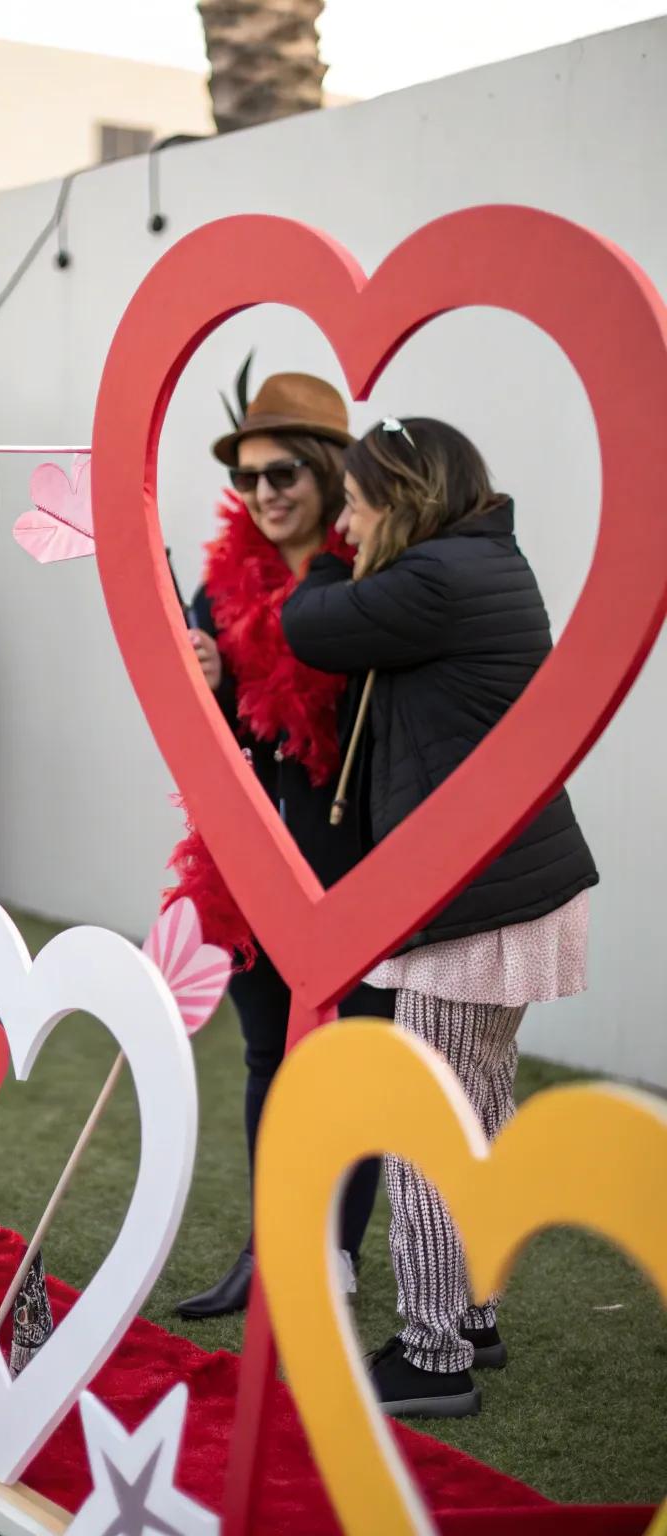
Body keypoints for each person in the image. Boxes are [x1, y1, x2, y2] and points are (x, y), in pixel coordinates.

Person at [282, 416, 598, 1416]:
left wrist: (324, 562)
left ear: (402, 499)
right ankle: (471, 1311)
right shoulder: (477, 563)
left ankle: (432, 1355)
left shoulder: (436, 580)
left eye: (357, 501)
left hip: (477, 898)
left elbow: (309, 627)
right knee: (478, 1107)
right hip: (513, 889)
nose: (346, 519)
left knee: (426, 1118)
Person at [172, 370, 396, 1321]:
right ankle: (270, 1248)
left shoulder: (380, 580)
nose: (265, 491)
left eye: (285, 472)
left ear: (329, 471)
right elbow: (198, 745)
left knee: (348, 1069)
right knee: (270, 1059)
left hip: (358, 869)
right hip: (246, 869)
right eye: (250, 475)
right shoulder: (214, 593)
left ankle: (331, 1261)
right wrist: (210, 683)